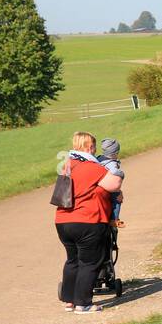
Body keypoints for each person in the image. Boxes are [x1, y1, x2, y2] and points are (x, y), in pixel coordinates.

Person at [55, 131, 123, 314]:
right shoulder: (92, 167)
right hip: (87, 221)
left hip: (63, 221)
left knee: (72, 260)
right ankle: (83, 303)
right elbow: (114, 184)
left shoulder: (67, 166)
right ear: (90, 147)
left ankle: (69, 300)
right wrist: (118, 170)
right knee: (90, 262)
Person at [97, 137, 126, 227]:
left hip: (100, 182)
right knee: (117, 199)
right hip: (108, 184)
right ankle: (114, 219)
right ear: (115, 153)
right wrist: (121, 173)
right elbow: (114, 172)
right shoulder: (112, 163)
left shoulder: (99, 158)